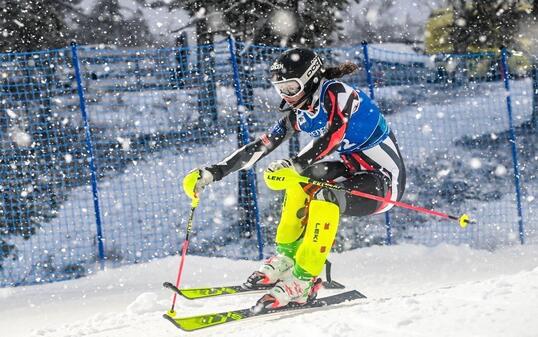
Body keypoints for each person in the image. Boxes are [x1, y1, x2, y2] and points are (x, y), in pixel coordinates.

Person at [183, 48, 406, 309]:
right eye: (280, 89)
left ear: (311, 79)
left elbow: (334, 134)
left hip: (384, 182)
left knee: (324, 195)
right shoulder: (300, 113)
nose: (287, 96)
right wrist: (214, 172)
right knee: (300, 180)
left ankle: (304, 280)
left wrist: (295, 164)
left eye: (291, 87)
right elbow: (262, 145)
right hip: (354, 169)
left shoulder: (337, 93)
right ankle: (286, 259)